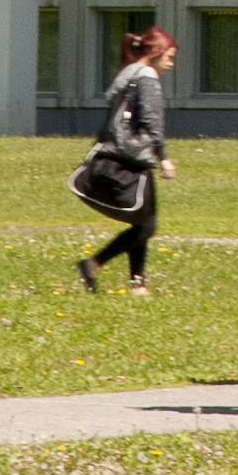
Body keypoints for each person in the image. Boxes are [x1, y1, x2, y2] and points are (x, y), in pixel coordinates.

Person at [75, 22, 176, 300]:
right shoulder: (147, 78)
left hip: (112, 153)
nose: (170, 64)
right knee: (147, 224)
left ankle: (138, 283)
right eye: (169, 57)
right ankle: (93, 265)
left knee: (142, 222)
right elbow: (152, 120)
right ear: (156, 53)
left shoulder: (127, 73)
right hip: (133, 158)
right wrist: (164, 157)